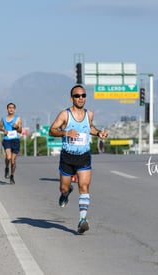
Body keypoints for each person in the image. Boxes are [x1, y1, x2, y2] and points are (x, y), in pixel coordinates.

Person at [49, 84, 108, 234]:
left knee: (84, 187)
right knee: (63, 188)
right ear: (72, 98)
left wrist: (98, 133)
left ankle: (82, 220)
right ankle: (66, 192)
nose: (80, 98)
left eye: (83, 95)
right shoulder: (65, 115)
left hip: (84, 156)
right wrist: (66, 133)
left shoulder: (89, 114)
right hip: (67, 158)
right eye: (77, 96)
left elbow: (90, 128)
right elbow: (52, 130)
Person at [0, 102, 22, 184]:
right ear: (7, 109)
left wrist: (17, 127)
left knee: (13, 161)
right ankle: (6, 168)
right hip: (7, 139)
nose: (11, 109)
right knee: (8, 157)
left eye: (12, 108)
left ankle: (12, 175)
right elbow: (0, 127)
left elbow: (20, 130)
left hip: (15, 140)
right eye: (9, 107)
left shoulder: (18, 119)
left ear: (15, 109)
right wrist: (3, 130)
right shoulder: (3, 118)